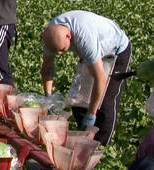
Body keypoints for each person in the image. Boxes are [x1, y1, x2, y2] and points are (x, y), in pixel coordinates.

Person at [40, 10, 131, 145]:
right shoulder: (51, 36)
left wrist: (91, 114)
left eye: (62, 50)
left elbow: (100, 79)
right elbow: (47, 68)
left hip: (116, 50)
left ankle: (100, 147)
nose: (59, 54)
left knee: (105, 104)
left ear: (68, 36)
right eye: (56, 51)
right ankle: (83, 138)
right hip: (92, 53)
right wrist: (48, 97)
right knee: (79, 101)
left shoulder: (85, 40)